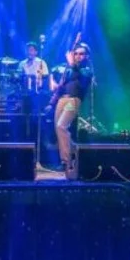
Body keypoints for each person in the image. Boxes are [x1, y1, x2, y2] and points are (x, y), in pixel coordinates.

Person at [44, 42, 94, 173]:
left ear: (87, 56)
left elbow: (81, 78)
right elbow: (60, 88)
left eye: (81, 54)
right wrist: (51, 103)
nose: (78, 56)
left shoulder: (87, 70)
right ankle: (76, 151)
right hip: (61, 100)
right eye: (76, 54)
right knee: (59, 130)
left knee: (62, 126)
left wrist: (71, 64)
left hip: (73, 100)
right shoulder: (69, 69)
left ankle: (66, 161)